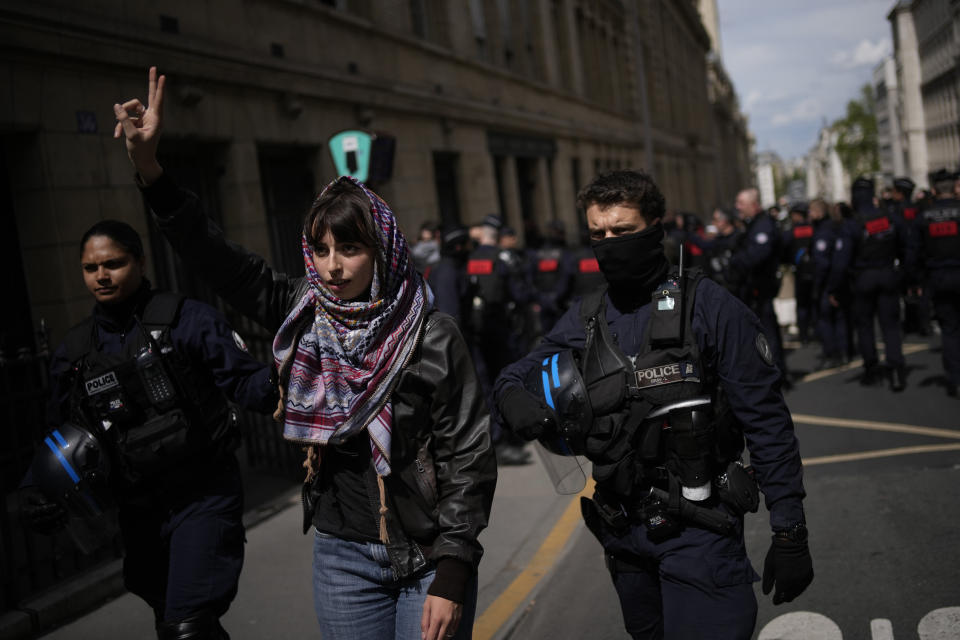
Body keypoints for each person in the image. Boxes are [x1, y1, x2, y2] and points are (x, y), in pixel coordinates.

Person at [113, 67, 497, 640]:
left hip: (425, 553)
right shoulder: (303, 311)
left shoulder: (432, 333)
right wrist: (151, 170)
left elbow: (468, 453)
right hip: (342, 554)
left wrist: (455, 569)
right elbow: (218, 258)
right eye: (319, 249)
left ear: (383, 248)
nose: (332, 266)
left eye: (349, 247)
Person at [494, 170, 812, 639]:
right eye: (597, 234)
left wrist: (789, 530)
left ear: (655, 227)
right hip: (625, 539)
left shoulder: (710, 308)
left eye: (622, 231)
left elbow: (767, 423)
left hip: (700, 533)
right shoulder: (587, 315)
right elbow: (512, 374)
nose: (608, 243)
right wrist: (513, 399)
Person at [22, 219, 278, 639]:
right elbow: (58, 432)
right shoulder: (75, 350)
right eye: (90, 268)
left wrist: (290, 382)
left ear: (140, 262)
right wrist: (36, 490)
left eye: (114, 263)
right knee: (171, 621)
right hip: (138, 509)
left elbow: (246, 381)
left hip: (204, 494)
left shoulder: (187, 319)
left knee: (187, 625)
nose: (101, 276)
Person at [466, 215, 533, 465]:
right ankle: (510, 432)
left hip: (478, 332)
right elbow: (519, 293)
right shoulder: (502, 259)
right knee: (507, 379)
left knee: (486, 384)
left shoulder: (470, 260)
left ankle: (499, 435)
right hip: (503, 329)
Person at [839, 177, 909, 390]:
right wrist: (904, 274)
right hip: (888, 274)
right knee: (890, 326)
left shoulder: (852, 224)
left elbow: (841, 261)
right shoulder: (889, 217)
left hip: (863, 279)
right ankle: (896, 370)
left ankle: (871, 370)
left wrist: (835, 287)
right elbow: (907, 247)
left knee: (866, 327)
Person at [909, 169, 960, 397]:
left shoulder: (924, 216)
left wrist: (916, 281)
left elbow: (914, 253)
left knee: (949, 330)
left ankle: (955, 379)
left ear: (934, 190)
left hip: (938, 277)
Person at [728, 188, 787, 380]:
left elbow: (758, 255)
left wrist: (736, 261)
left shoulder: (763, 225)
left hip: (762, 287)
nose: (737, 207)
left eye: (741, 203)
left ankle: (777, 372)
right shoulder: (752, 224)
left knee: (767, 331)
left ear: (753, 205)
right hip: (752, 288)